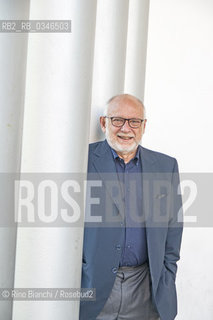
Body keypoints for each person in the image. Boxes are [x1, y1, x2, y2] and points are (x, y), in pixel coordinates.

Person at [80, 94, 183, 320]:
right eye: (117, 120)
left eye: (134, 121)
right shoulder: (81, 160)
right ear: (103, 123)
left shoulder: (166, 166)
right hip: (93, 286)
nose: (126, 128)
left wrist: (166, 275)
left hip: (145, 287)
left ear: (144, 126)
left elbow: (173, 228)